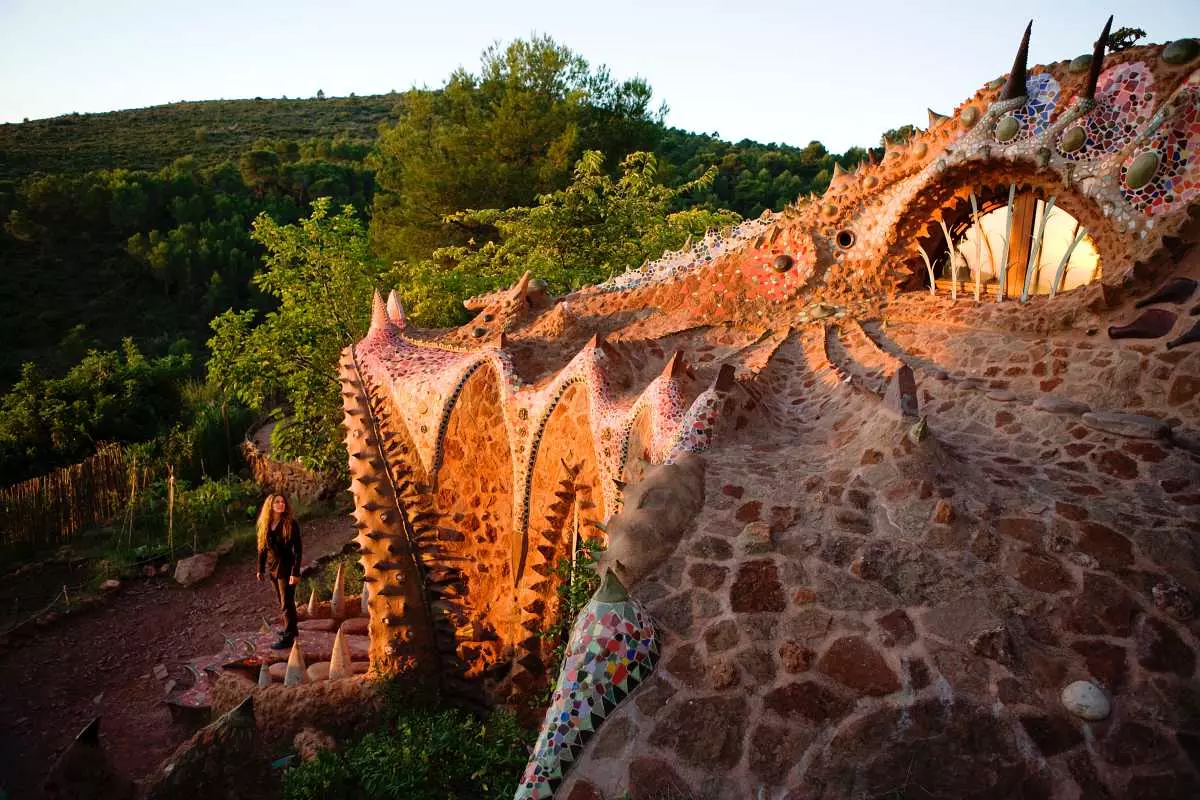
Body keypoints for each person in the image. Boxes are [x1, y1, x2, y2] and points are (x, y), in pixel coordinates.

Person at [256, 494, 303, 649]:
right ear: (270, 505)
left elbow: (298, 550)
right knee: (283, 601)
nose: (281, 504)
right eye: (277, 502)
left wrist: (295, 572)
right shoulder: (265, 524)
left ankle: (288, 638)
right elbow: (262, 549)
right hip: (273, 569)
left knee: (286, 603)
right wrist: (260, 569)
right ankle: (293, 629)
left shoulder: (290, 524)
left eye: (283, 502)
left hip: (287, 568)